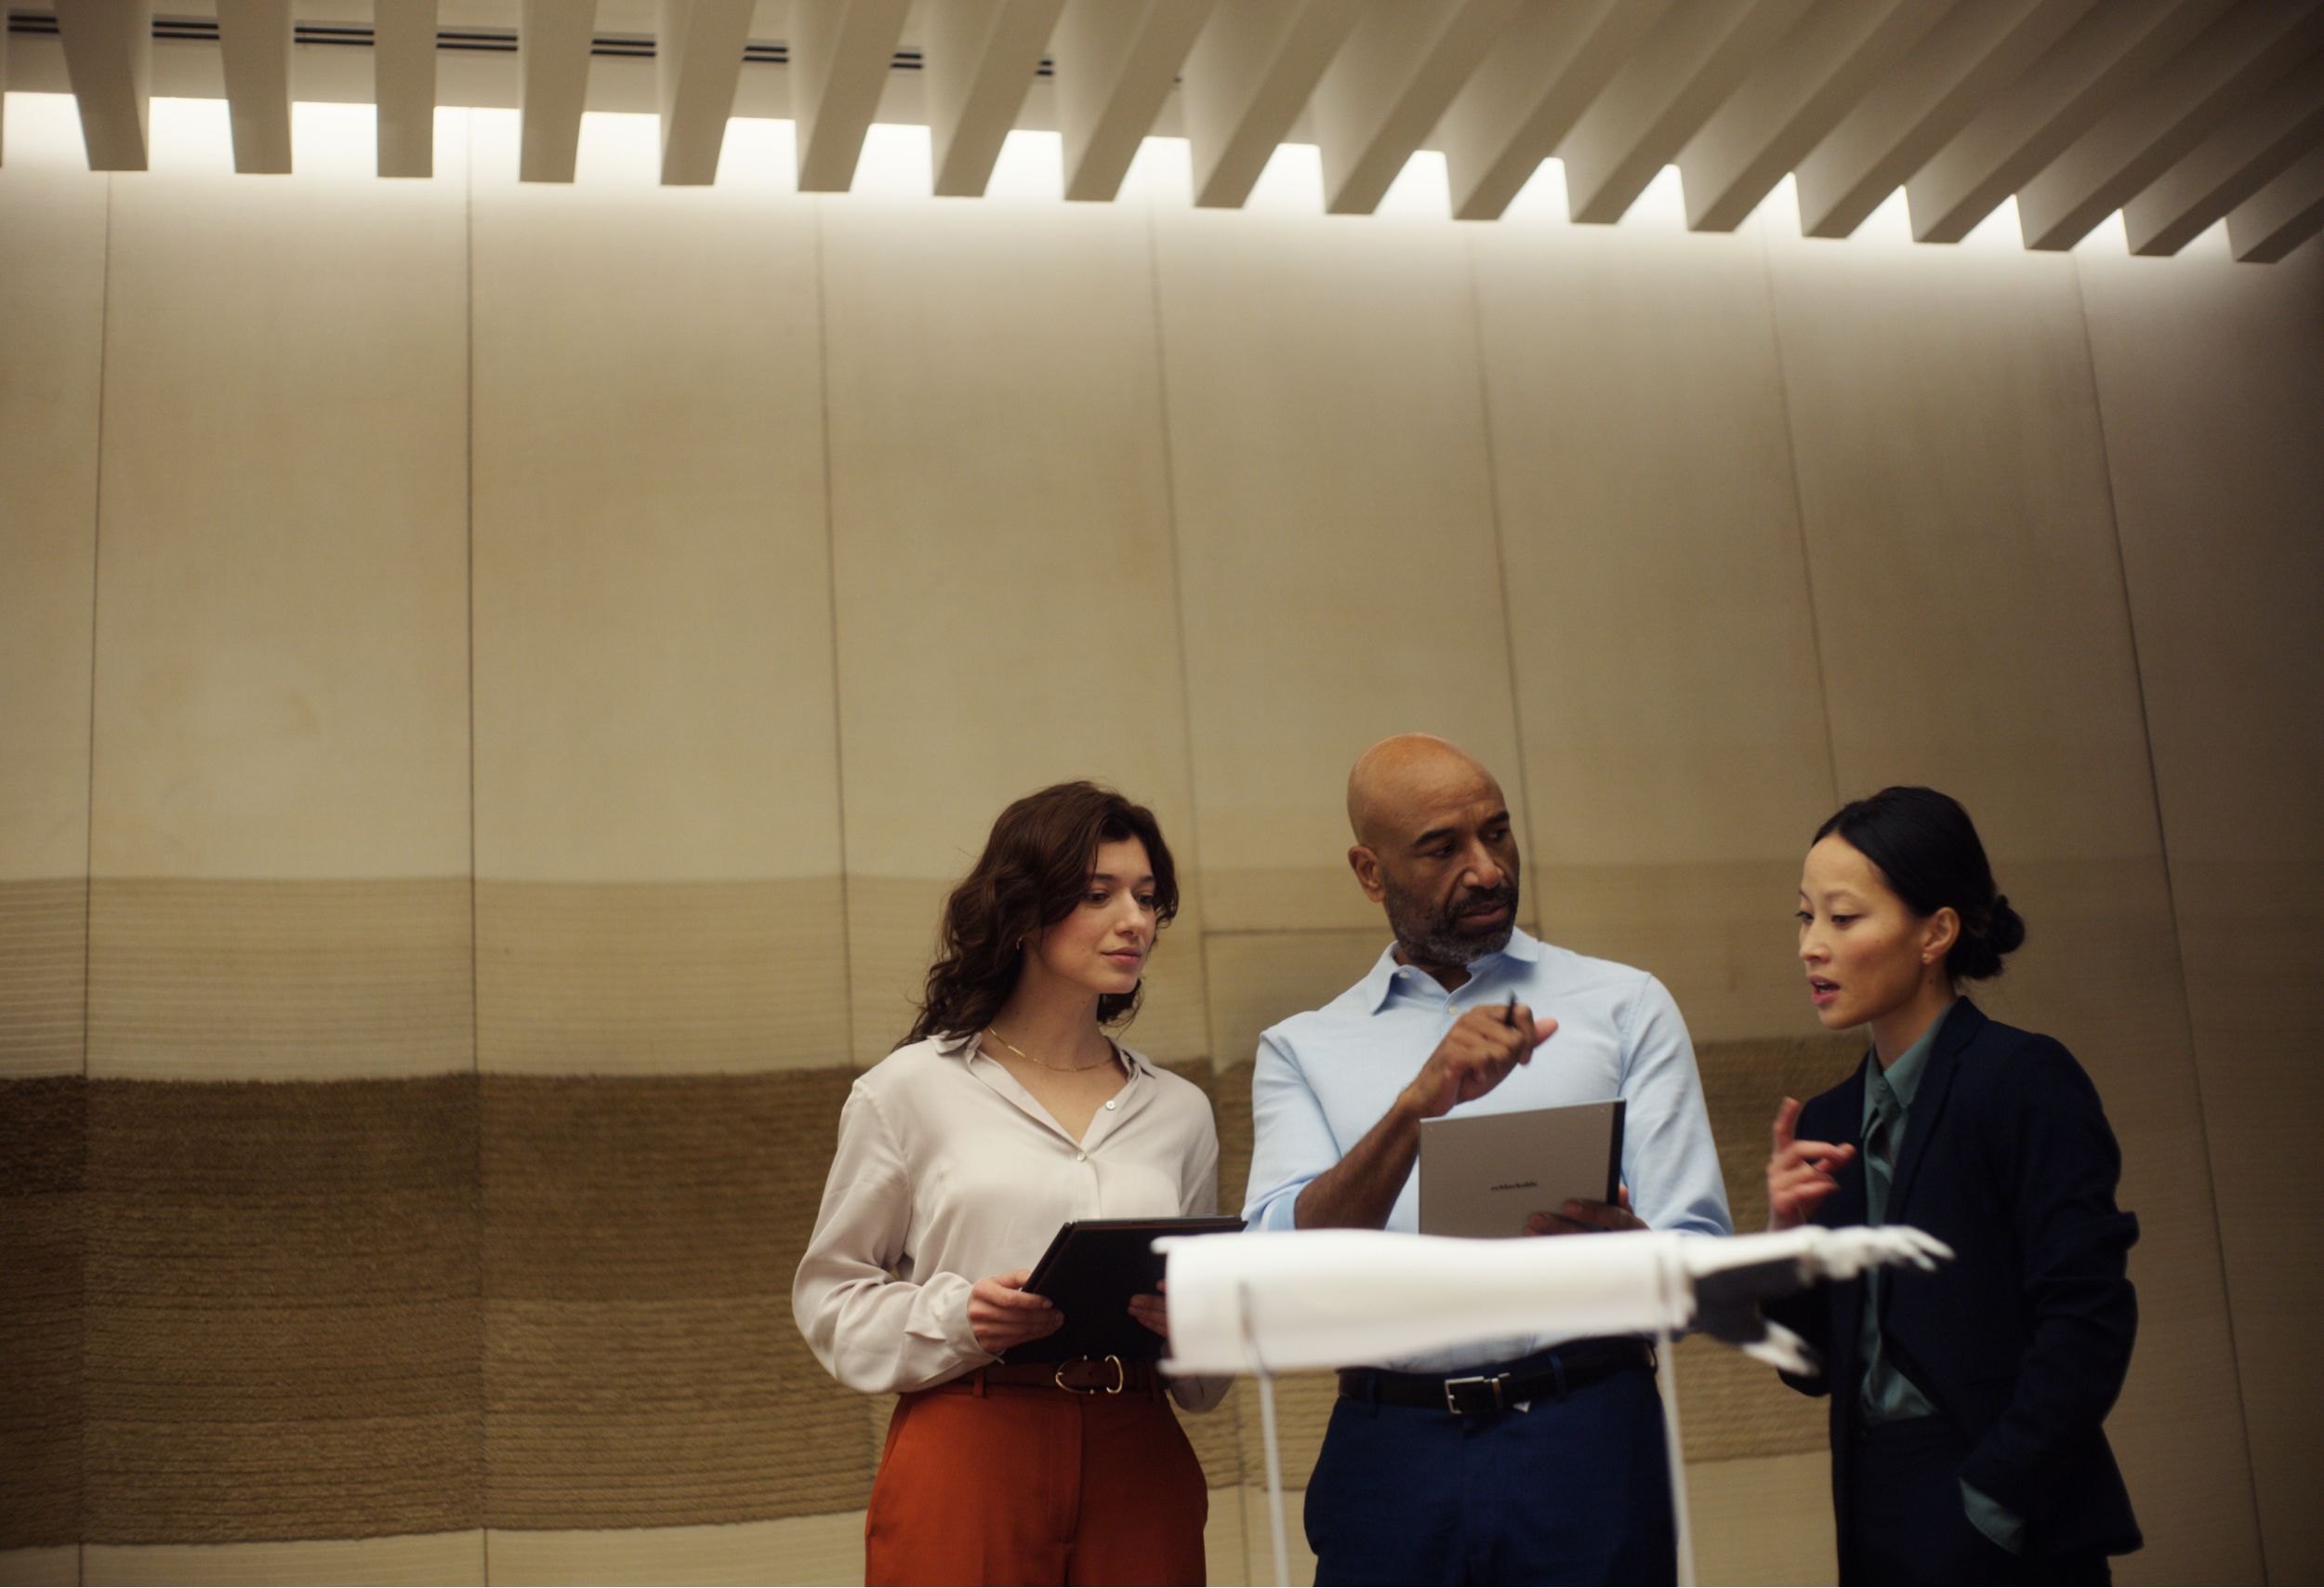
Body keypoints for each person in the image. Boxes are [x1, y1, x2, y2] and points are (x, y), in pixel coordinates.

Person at [1242, 734, 1731, 1586]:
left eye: (1497, 833)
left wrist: (1636, 1253)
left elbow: (1700, 1269)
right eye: (1443, 848)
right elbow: (1272, 1275)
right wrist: (1416, 1107)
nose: (1487, 869)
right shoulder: (1300, 1048)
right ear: (1370, 872)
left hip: (1586, 1437)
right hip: (1390, 1457)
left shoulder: (1625, 1005)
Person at [794, 782, 1226, 1587]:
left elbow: (1205, 1379)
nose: (1134, 920)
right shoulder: (908, 1090)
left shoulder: (1181, 1111)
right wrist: (960, 1316)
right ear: (1024, 910)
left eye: (1146, 897)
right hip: (970, 1437)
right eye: (1098, 895)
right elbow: (831, 1300)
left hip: (1139, 1452)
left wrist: (1196, 1324)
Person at [1764, 786, 2141, 1584]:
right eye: (1805, 917)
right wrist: (1783, 1241)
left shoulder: (2023, 1078)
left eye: (1843, 917)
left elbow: (2087, 1314)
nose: (1810, 946)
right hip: (1873, 1508)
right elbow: (1806, 1369)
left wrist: (1996, 1498)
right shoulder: (1828, 1119)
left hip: (2005, 1501)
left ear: (1936, 932)